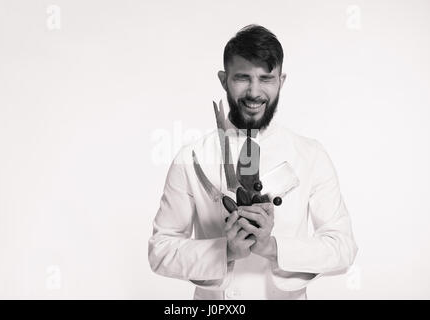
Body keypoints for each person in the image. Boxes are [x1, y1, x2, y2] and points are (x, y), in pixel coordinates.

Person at [148, 24, 358, 300]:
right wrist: (225, 251)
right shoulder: (190, 158)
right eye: (242, 78)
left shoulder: (311, 155)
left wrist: (272, 248)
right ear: (224, 80)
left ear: (281, 81)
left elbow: (343, 249)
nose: (254, 92)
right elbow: (160, 251)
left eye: (266, 78)